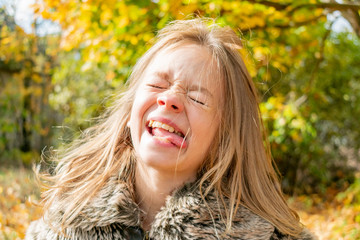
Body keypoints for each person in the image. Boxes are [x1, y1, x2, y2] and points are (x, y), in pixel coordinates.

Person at [25, 18, 316, 240]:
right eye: (156, 85)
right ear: (129, 111)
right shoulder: (59, 225)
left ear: (226, 136)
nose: (170, 99)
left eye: (198, 98)